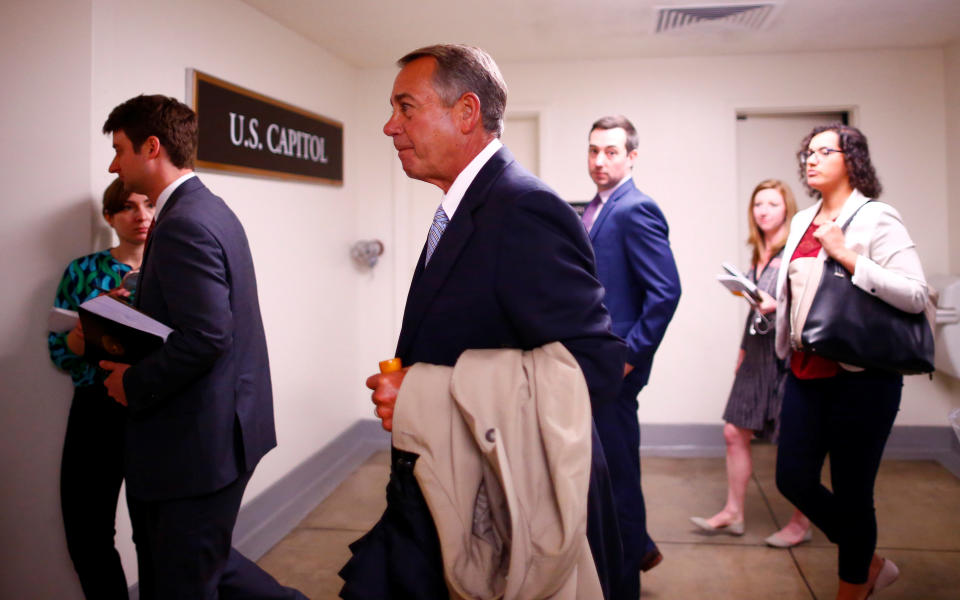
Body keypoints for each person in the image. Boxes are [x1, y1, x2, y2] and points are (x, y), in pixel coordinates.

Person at [339, 44, 627, 600]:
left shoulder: (522, 208)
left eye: (405, 107)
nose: (388, 126)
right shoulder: (462, 205)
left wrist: (423, 394)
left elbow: (594, 367)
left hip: (501, 499)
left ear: (466, 112)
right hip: (448, 484)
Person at [98, 94, 305, 600]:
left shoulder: (185, 222)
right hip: (220, 429)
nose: (113, 164)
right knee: (203, 561)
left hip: (198, 441)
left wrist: (133, 380)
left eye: (119, 149)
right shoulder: (205, 208)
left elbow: (209, 336)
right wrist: (139, 291)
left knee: (184, 577)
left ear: (152, 147)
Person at [774, 124, 926, 600]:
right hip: (803, 371)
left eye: (824, 151)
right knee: (792, 478)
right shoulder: (802, 221)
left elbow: (916, 294)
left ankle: (852, 587)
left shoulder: (877, 217)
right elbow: (807, 292)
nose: (811, 160)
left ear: (852, 159)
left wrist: (848, 256)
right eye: (808, 153)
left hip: (861, 379)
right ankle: (869, 561)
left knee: (853, 490)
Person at [582, 115, 681, 595]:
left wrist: (629, 359)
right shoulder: (596, 207)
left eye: (612, 152)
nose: (600, 161)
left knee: (617, 483)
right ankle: (633, 548)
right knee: (603, 477)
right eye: (594, 151)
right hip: (593, 367)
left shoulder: (635, 208)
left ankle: (623, 587)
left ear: (632, 157)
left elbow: (665, 293)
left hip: (615, 372)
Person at [689, 179, 812, 547]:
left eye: (772, 204)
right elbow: (757, 309)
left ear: (786, 209)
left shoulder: (797, 250)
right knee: (733, 431)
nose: (763, 210)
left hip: (789, 353)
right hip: (757, 352)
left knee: (796, 441)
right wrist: (743, 348)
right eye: (758, 204)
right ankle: (734, 512)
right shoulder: (759, 252)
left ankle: (801, 521)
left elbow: (809, 304)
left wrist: (778, 306)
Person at [48, 178, 153, 599]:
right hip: (96, 407)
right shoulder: (82, 271)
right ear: (109, 217)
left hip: (154, 405)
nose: (141, 216)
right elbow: (60, 353)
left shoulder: (175, 268)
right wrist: (90, 324)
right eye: (128, 207)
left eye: (148, 205)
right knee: (86, 530)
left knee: (155, 530)